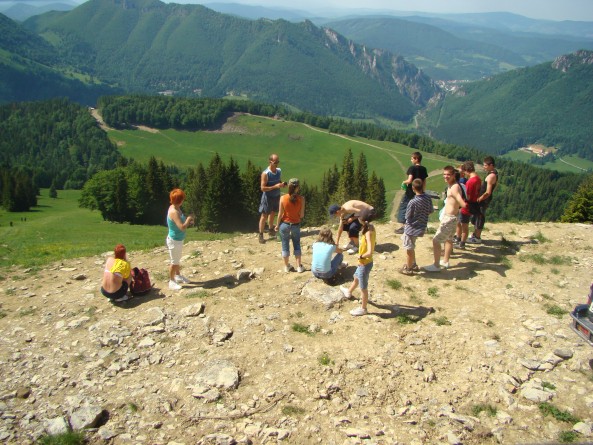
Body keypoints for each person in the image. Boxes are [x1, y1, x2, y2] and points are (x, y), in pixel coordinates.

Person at [423, 166, 467, 272]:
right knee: (449, 239)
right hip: (453, 217)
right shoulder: (453, 185)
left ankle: (436, 265)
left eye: (448, 174)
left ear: (453, 175)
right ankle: (445, 261)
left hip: (449, 218)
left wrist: (462, 205)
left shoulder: (454, 187)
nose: (446, 176)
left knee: (436, 240)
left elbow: (462, 202)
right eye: (444, 174)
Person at [340, 208, 376, 316]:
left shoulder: (368, 232)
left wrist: (361, 256)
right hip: (364, 263)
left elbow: (369, 251)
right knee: (356, 277)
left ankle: (363, 309)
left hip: (365, 263)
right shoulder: (370, 227)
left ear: (362, 219)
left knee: (363, 288)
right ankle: (349, 292)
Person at [400, 178, 433, 275]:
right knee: (412, 246)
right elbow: (430, 210)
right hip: (421, 227)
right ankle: (413, 264)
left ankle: (408, 268)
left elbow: (407, 216)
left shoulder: (412, 202)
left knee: (409, 248)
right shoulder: (428, 198)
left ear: (413, 188)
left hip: (411, 228)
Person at [166, 188, 194, 290]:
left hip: (178, 239)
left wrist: (188, 221)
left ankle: (177, 276)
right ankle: (171, 281)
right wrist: (188, 219)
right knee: (174, 262)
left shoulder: (176, 207)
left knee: (177, 259)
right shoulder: (174, 211)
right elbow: (181, 227)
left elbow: (180, 221)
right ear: (180, 200)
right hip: (174, 241)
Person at [276, 178, 305, 273]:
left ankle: (286, 266)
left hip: (284, 224)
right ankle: (299, 266)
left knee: (285, 244)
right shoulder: (302, 199)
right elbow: (301, 215)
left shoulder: (282, 198)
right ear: (298, 187)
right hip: (295, 224)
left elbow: (280, 214)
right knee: (296, 244)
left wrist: (277, 225)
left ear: (289, 186)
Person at [395, 152, 428, 234]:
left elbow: (410, 180)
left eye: (412, 158)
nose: (411, 160)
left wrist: (404, 182)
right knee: (416, 209)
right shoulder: (424, 169)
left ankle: (404, 227)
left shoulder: (412, 168)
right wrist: (423, 191)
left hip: (410, 192)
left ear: (416, 159)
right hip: (419, 192)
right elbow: (424, 182)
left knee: (405, 207)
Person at [468, 156, 498, 244]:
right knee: (477, 216)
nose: (484, 167)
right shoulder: (494, 173)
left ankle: (477, 237)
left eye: (485, 165)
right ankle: (475, 235)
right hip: (484, 199)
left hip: (483, 200)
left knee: (479, 217)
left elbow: (488, 192)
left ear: (491, 165)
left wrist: (479, 199)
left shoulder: (491, 176)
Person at [258, 153, 287, 244]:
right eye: (275, 162)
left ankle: (271, 229)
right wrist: (275, 186)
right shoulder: (265, 173)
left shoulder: (279, 171)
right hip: (267, 197)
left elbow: (278, 181)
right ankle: (261, 234)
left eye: (278, 161)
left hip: (276, 195)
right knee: (264, 215)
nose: (277, 164)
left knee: (273, 213)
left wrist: (281, 184)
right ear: (270, 162)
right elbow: (263, 188)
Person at [457, 161, 481, 249]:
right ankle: (461, 241)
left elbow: (468, 196)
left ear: (467, 170)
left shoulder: (470, 182)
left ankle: (462, 243)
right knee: (465, 225)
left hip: (467, 205)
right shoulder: (478, 179)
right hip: (474, 203)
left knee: (464, 225)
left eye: (464, 171)